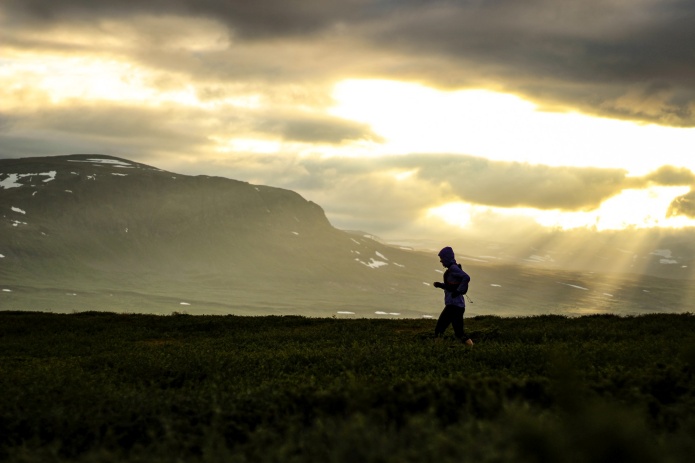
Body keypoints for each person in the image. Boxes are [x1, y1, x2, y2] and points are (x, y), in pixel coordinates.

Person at [433, 246, 474, 346]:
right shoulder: (452, 269)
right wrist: (440, 285)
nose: (441, 261)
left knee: (439, 330)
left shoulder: (453, 268)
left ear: (447, 258)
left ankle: (435, 351)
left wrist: (458, 291)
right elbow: (451, 286)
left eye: (442, 259)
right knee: (459, 333)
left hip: (453, 306)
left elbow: (466, 277)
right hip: (458, 306)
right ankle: (472, 348)